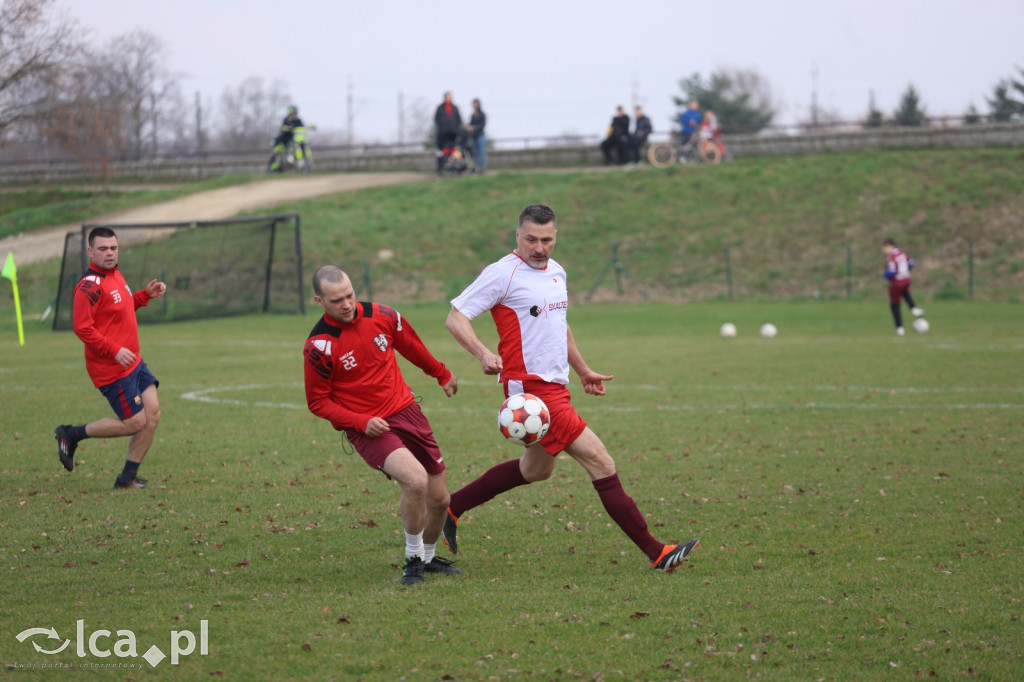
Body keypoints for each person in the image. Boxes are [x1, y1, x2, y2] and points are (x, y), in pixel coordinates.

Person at [442, 204, 700, 572]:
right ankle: (657, 552)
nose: (539, 247)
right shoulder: (503, 274)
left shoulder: (557, 272)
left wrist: (582, 370)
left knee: (536, 470)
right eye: (531, 239)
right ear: (517, 236)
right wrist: (482, 353)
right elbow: (456, 317)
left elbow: (559, 327)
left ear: (555, 238)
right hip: (531, 393)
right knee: (601, 461)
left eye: (546, 240)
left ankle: (452, 507)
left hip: (556, 386)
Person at [303, 265, 462, 585]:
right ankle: (413, 559)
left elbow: (412, 347)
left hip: (407, 412)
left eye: (350, 295)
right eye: (336, 301)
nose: (347, 304)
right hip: (369, 426)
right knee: (415, 481)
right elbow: (318, 402)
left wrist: (441, 373)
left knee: (440, 499)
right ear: (319, 301)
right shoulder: (319, 347)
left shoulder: (384, 315)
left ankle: (429, 559)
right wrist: (360, 422)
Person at [54, 227, 167, 489]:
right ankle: (71, 434)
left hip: (134, 362)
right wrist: (114, 349)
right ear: (91, 251)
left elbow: (122, 307)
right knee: (135, 421)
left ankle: (127, 479)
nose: (109, 253)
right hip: (112, 370)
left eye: (113, 248)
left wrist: (144, 295)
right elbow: (82, 328)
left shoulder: (115, 274)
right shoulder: (88, 287)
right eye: (103, 249)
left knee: (153, 414)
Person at [882, 238, 924, 335]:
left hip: (897, 282)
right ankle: (914, 308)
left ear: (892, 246)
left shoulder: (891, 257)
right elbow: (911, 263)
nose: (884, 250)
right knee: (905, 292)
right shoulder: (902, 253)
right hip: (906, 279)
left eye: (886, 247)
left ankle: (899, 328)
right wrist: (905, 272)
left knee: (895, 305)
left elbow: (892, 271)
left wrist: (885, 275)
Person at [268, 105, 309, 172]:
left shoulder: (298, 120)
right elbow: (283, 129)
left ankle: (301, 166)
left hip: (295, 140)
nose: (294, 115)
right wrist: (288, 128)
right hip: (285, 139)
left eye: (295, 113)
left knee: (300, 151)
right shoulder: (286, 120)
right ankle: (273, 167)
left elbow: (302, 128)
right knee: (277, 151)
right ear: (290, 113)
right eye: (292, 113)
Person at [434, 91, 463, 175]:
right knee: (440, 151)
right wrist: (441, 127)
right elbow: (436, 119)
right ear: (444, 98)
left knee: (455, 151)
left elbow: (459, 120)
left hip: (453, 133)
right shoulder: (440, 108)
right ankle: (440, 169)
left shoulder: (455, 108)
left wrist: (458, 131)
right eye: (447, 97)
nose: (448, 98)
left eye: (449, 97)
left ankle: (457, 167)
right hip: (442, 133)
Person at [466, 98, 487, 174]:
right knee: (475, 153)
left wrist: (474, 127)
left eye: (476, 104)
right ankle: (477, 167)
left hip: (480, 136)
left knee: (481, 152)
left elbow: (482, 125)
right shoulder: (473, 115)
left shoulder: (482, 114)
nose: (475, 106)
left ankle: (483, 168)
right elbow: (470, 123)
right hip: (474, 136)